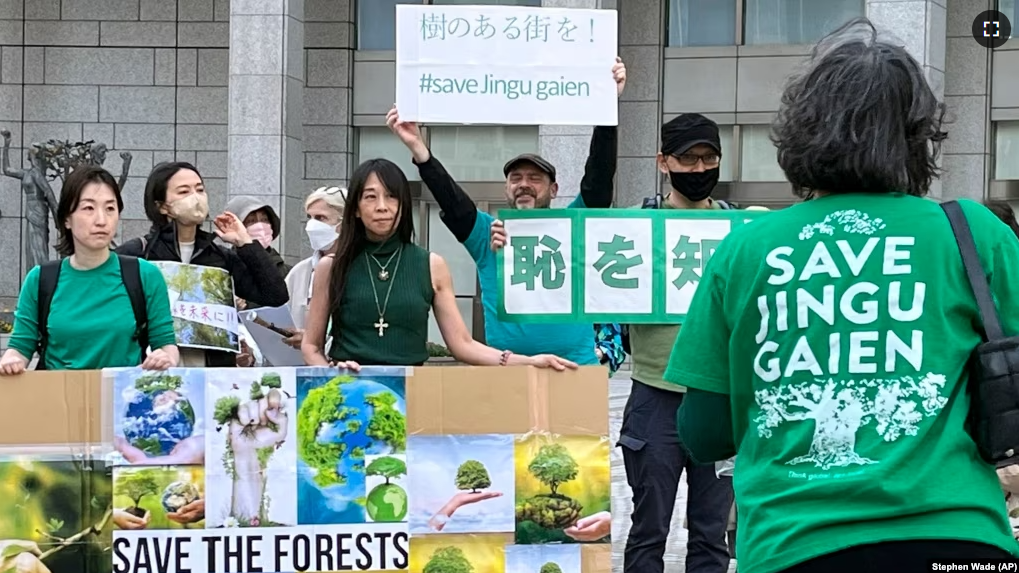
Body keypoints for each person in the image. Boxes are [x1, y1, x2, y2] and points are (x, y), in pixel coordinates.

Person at [665, 18, 1019, 572]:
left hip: (794, 544)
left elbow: (704, 432)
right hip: (961, 539)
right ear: (918, 135)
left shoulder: (748, 248)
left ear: (801, 131)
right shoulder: (973, 233)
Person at [385, 58, 627, 367]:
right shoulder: (490, 233)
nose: (524, 185)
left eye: (535, 179)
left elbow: (598, 179)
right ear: (506, 189)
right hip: (508, 368)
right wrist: (420, 150)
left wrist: (607, 109)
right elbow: (453, 202)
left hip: (576, 368)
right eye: (516, 179)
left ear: (553, 190)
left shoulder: (575, 226)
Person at [300, 158, 577, 371]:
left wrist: (527, 361)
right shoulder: (331, 266)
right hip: (346, 393)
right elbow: (311, 346)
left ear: (404, 204)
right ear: (357, 209)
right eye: (370, 197)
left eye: (391, 196)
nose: (382, 206)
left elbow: (462, 344)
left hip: (412, 396)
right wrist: (329, 375)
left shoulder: (430, 264)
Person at [0, 166, 178, 375]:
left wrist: (164, 358)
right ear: (66, 219)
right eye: (88, 208)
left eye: (110, 208)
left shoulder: (144, 275)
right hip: (59, 399)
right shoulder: (40, 279)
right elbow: (21, 347)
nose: (101, 220)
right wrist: (10, 360)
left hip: (122, 400)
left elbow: (166, 344)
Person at [117, 162, 290, 367]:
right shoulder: (138, 253)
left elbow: (275, 295)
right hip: (153, 366)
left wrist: (245, 243)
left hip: (212, 371)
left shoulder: (220, 257)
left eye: (200, 189)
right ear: (162, 205)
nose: (195, 197)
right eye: (184, 191)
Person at [283, 186, 346, 349]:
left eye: (320, 218)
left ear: (344, 223)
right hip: (300, 366)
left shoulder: (363, 269)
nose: (311, 225)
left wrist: (314, 341)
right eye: (309, 217)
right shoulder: (299, 272)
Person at [223, 195, 291, 279]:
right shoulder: (225, 268)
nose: (260, 226)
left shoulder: (289, 273)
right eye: (251, 221)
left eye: (264, 219)